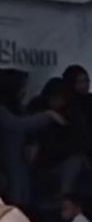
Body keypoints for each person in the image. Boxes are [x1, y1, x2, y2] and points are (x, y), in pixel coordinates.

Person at [0, 69, 64, 208]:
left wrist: (32, 142)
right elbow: (17, 124)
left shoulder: (18, 107)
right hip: (7, 162)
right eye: (23, 87)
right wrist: (47, 116)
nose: (25, 91)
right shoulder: (3, 110)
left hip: (21, 160)